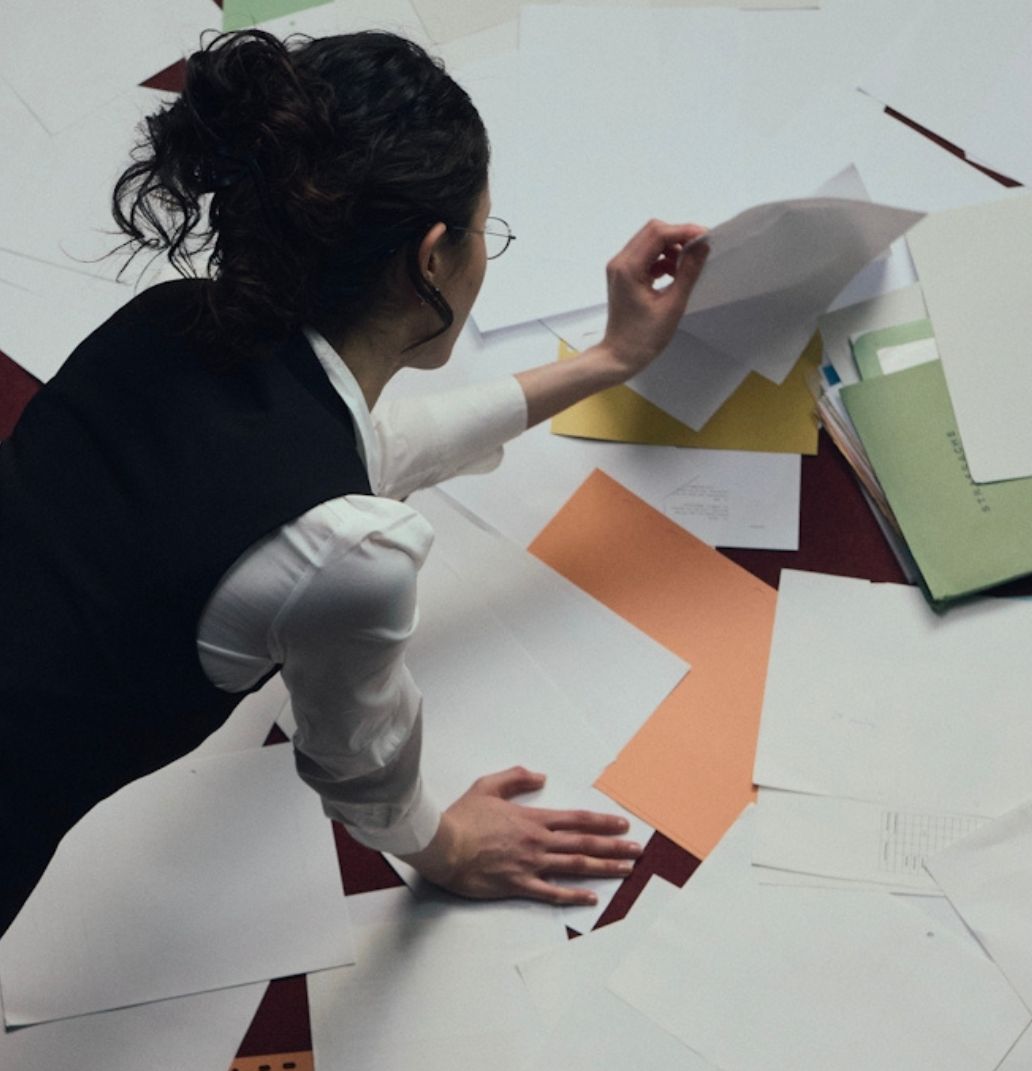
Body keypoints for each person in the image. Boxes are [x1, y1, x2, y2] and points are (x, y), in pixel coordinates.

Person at [0, 28, 707, 934]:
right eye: (487, 232)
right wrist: (448, 847)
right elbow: (360, 763)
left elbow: (353, 450)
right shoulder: (350, 553)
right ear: (433, 257)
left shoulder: (169, 319)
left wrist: (606, 361)